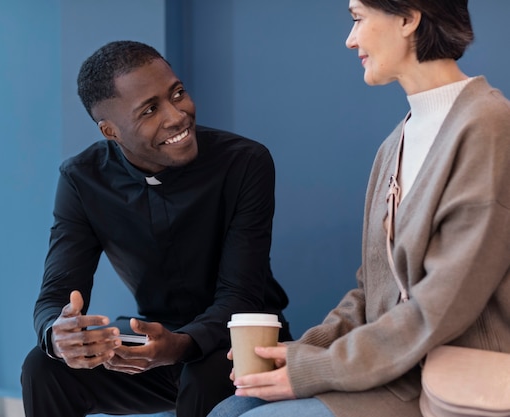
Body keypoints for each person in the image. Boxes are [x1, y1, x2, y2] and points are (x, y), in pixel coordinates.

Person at [208, 1, 510, 416]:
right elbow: (373, 291)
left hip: (447, 381)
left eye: (357, 18)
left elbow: (441, 306)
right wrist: (297, 351)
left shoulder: (488, 127)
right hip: (391, 369)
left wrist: (316, 368)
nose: (350, 40)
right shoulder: (395, 144)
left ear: (408, 18)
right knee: (231, 408)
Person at [20, 40, 291, 417]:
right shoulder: (82, 179)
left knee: (201, 375)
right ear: (110, 131)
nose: (177, 115)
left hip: (238, 344)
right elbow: (55, 296)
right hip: (155, 343)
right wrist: (58, 334)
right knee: (44, 366)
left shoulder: (244, 162)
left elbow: (239, 297)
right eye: (150, 110)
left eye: (177, 94)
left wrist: (178, 345)